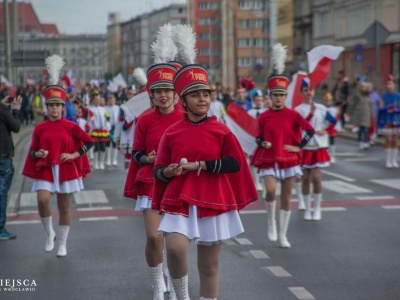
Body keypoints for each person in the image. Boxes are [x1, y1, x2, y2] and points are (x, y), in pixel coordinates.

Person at [152, 62, 258, 300]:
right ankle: (182, 297)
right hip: (179, 199)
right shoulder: (172, 132)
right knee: (176, 250)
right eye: (195, 95)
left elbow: (235, 163)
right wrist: (168, 172)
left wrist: (200, 165)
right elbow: (158, 171)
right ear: (184, 99)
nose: (202, 99)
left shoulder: (221, 130)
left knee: (209, 267)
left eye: (206, 94)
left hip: (213, 199)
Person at [22, 54, 94, 256]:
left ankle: (62, 243)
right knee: (43, 200)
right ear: (47, 108)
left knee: (64, 208)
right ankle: (49, 232)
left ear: (63, 107)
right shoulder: (40, 128)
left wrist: (73, 155)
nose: (54, 108)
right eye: (51, 105)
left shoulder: (71, 126)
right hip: (45, 169)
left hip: (65, 169)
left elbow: (89, 142)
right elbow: (33, 151)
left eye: (57, 105)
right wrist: (39, 152)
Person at [251, 43, 315, 248]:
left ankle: (283, 234)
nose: (278, 98)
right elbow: (257, 139)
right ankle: (270, 220)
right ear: (270, 97)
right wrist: (264, 143)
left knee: (287, 198)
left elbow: (310, 130)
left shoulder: (293, 114)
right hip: (269, 158)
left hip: (289, 160)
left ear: (285, 96)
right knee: (270, 191)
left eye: (281, 95)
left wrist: (299, 147)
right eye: (275, 95)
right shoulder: (264, 116)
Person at [295, 79, 336, 221]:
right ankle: (307, 208)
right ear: (301, 92)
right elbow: (299, 126)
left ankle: (317, 208)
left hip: (319, 146)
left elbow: (334, 120)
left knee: (316, 177)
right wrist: (310, 114)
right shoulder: (298, 110)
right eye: (305, 90)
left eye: (310, 90)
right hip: (305, 146)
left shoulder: (321, 108)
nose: (308, 93)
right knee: (305, 179)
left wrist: (326, 131)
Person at [0, 94, 22, 240]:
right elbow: (16, 126)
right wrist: (15, 109)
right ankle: (1, 228)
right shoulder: (2, 110)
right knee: (2, 192)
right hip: (3, 155)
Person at [378, 75, 400, 168]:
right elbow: (380, 108)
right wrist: (387, 108)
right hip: (387, 120)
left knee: (395, 140)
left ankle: (394, 160)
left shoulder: (398, 96)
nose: (389, 86)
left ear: (394, 85)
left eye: (390, 84)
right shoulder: (383, 96)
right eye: (387, 84)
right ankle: (388, 160)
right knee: (388, 140)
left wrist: (395, 110)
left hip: (396, 120)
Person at [87, 90, 110, 170]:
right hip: (95, 130)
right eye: (96, 99)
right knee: (96, 147)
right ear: (93, 100)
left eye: (99, 99)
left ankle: (101, 162)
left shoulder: (103, 109)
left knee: (103, 147)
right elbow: (90, 119)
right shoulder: (91, 109)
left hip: (102, 130)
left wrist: (106, 123)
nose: (97, 101)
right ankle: (96, 162)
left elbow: (107, 116)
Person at [348, 80, 373, 150]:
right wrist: (358, 86)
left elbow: (370, 106)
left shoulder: (369, 96)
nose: (364, 89)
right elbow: (355, 94)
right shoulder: (359, 95)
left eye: (365, 87)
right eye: (363, 87)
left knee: (366, 129)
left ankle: (365, 142)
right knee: (360, 130)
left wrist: (372, 115)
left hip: (366, 114)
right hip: (359, 114)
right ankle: (360, 141)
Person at [325, 92, 341, 163]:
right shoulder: (324, 109)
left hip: (332, 127)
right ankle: (326, 155)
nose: (328, 102)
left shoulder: (334, 110)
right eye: (327, 101)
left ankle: (332, 155)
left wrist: (336, 127)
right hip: (325, 127)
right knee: (325, 142)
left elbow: (336, 119)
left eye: (329, 101)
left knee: (332, 141)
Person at [104, 93, 120, 166]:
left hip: (115, 127)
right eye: (109, 99)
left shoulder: (117, 108)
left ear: (115, 100)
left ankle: (114, 159)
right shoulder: (105, 108)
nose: (111, 101)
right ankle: (108, 159)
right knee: (107, 143)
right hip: (108, 127)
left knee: (115, 143)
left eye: (112, 99)